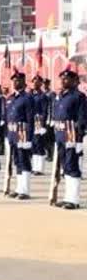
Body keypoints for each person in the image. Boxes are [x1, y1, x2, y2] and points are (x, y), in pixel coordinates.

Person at [52, 67, 87, 210]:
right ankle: (67, 197)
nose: (63, 80)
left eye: (66, 78)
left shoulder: (79, 97)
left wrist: (79, 140)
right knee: (65, 167)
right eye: (62, 78)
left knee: (73, 167)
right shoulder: (61, 96)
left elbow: (82, 119)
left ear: (74, 81)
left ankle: (73, 200)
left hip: (72, 137)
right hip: (61, 135)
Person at [5, 70, 35, 199]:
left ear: (24, 82)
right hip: (13, 134)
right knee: (17, 161)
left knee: (24, 161)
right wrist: (7, 134)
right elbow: (7, 117)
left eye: (18, 80)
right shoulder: (11, 98)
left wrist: (29, 137)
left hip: (23, 133)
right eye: (14, 80)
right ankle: (19, 188)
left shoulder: (27, 98)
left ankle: (25, 190)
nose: (15, 82)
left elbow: (30, 119)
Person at [30, 75, 48, 175]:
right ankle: (34, 166)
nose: (35, 84)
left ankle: (40, 168)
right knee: (33, 145)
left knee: (39, 144)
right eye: (34, 82)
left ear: (41, 84)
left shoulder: (43, 96)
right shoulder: (30, 94)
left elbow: (45, 111)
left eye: (37, 82)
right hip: (30, 122)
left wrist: (43, 125)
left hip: (38, 122)